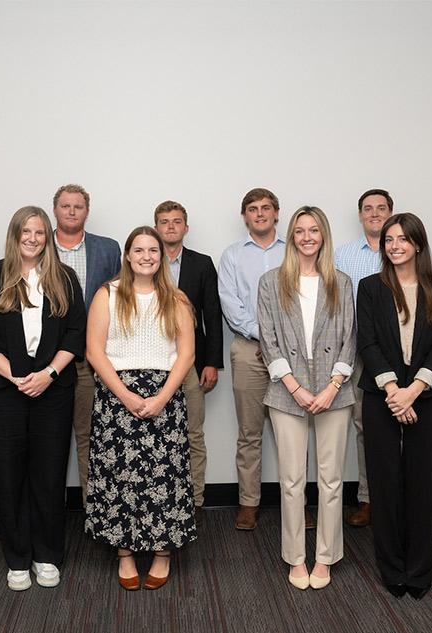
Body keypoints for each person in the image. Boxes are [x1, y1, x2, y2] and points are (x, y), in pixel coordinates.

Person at [0, 206, 85, 591]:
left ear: (47, 237)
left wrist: (48, 374)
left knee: (49, 476)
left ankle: (47, 555)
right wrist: (17, 377)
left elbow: (75, 334)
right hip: (4, 393)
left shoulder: (64, 278)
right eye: (26, 232)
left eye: (39, 232)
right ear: (14, 234)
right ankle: (17, 558)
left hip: (53, 392)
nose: (32, 239)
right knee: (10, 476)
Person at [84, 226, 196, 590]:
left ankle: (163, 553)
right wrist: (126, 396)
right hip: (117, 396)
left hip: (165, 394)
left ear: (161, 257)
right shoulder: (108, 295)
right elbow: (94, 352)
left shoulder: (176, 299)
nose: (146, 256)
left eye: (153, 250)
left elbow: (186, 354)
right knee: (119, 475)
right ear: (128, 256)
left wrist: (162, 397)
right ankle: (125, 553)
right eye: (139, 250)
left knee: (165, 475)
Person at [258, 206, 356, 590]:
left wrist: (332, 386)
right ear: (292, 236)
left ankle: (326, 557)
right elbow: (268, 339)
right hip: (287, 392)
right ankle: (296, 557)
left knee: (331, 480)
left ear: (323, 235)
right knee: (292, 480)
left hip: (335, 390)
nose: (307, 237)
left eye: (314, 230)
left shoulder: (342, 282)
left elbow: (351, 337)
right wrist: (296, 387)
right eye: (300, 230)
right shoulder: (271, 281)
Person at [356, 212, 432, 600]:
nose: (394, 245)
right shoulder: (370, 288)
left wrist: (413, 391)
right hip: (382, 398)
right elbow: (368, 343)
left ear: (418, 245)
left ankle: (419, 570)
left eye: (402, 239)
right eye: (389, 239)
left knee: (421, 484)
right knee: (385, 482)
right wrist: (395, 391)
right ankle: (392, 567)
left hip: (423, 398)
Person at [221, 188, 315, 531]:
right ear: (244, 216)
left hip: (293, 352)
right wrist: (264, 337)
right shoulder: (232, 256)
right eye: (252, 209)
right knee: (249, 431)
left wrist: (278, 342)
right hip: (248, 350)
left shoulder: (298, 251)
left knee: (294, 430)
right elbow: (231, 306)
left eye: (265, 208)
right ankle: (249, 502)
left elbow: (304, 299)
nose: (259, 214)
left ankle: (299, 504)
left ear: (277, 213)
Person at [153, 200, 224, 521]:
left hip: (193, 363)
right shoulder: (146, 261)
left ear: (186, 228)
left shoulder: (201, 264)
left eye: (176, 221)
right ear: (156, 227)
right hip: (153, 364)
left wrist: (212, 362)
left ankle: (194, 499)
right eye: (164, 222)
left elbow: (213, 314)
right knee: (156, 435)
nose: (170, 226)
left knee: (193, 433)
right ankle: (159, 495)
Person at [51, 184, 121, 502]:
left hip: (91, 362)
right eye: (65, 206)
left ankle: (92, 510)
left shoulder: (108, 249)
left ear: (87, 211)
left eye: (78, 206)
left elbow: (120, 304)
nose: (71, 211)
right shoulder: (38, 246)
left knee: (90, 438)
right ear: (55, 210)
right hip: (47, 362)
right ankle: (50, 513)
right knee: (49, 439)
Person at [334, 188, 394, 528]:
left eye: (381, 208)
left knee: (403, 425)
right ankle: (369, 499)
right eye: (368, 209)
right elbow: (336, 305)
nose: (374, 213)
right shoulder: (343, 256)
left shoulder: (402, 250)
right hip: (357, 353)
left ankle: (396, 497)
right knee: (364, 427)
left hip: (399, 353)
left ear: (391, 212)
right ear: (360, 215)